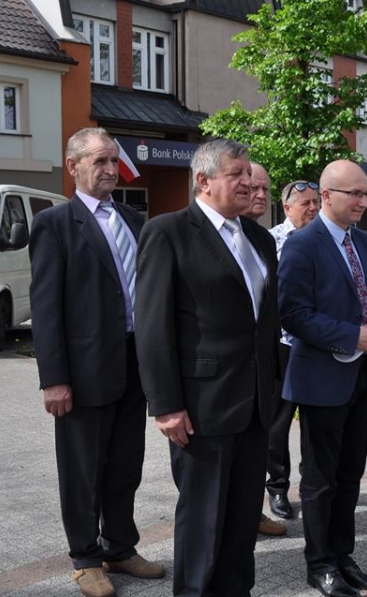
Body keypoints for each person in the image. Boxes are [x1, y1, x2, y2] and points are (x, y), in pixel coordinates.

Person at [135, 138, 280, 597]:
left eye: (249, 174)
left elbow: (265, 321)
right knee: (203, 520)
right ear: (203, 180)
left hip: (255, 405)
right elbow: (152, 324)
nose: (248, 183)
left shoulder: (259, 238)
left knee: (241, 518)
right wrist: (166, 405)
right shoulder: (169, 232)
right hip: (202, 406)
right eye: (236, 174)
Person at [29, 127, 165, 597]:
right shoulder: (55, 224)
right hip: (83, 373)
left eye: (113, 161)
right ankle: (85, 558)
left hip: (133, 366)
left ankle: (120, 547)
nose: (111, 170)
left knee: (126, 465)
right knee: (83, 470)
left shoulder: (132, 218)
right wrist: (54, 379)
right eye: (100, 161)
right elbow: (46, 307)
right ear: (73, 167)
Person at [278, 160, 367, 597]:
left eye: (366, 194)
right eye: (354, 194)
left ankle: (343, 556)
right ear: (326, 196)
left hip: (360, 375)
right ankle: (319, 564)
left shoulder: (364, 241)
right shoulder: (302, 245)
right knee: (321, 480)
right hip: (321, 379)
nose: (363, 202)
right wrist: (350, 335)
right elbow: (292, 313)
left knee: (351, 473)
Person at [265, 179, 321, 520]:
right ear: (287, 208)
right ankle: (277, 487)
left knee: (316, 423)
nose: (313, 208)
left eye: (316, 202)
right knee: (278, 424)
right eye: (305, 203)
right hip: (283, 346)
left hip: (318, 347)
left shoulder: (326, 240)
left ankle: (313, 486)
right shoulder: (270, 241)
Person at [240, 162, 287, 539]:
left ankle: (252, 511)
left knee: (257, 447)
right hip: (221, 376)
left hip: (263, 368)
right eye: (252, 187)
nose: (259, 195)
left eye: (265, 189)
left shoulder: (262, 240)